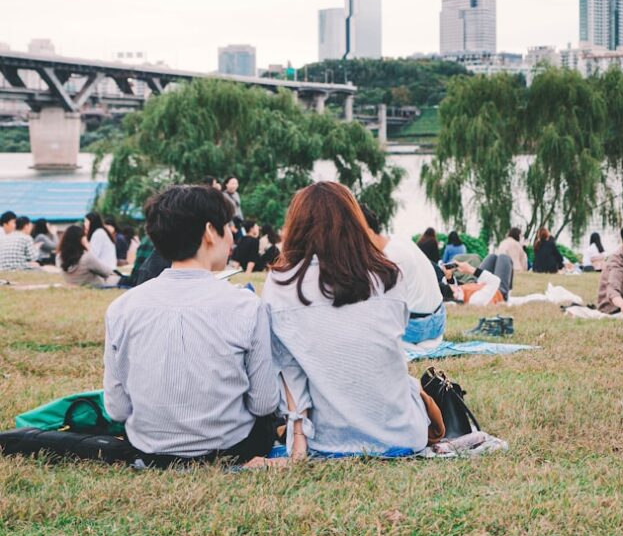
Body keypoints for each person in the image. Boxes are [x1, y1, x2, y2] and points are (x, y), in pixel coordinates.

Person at [103, 185, 277, 466]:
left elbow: (117, 409)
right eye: (228, 226)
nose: (232, 234)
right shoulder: (245, 305)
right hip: (233, 446)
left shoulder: (121, 308)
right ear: (210, 231)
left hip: (149, 450)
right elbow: (264, 404)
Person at [262, 181, 432, 458]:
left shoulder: (281, 283)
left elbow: (289, 370)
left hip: (325, 440)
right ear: (355, 221)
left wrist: (298, 439)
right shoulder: (388, 274)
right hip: (402, 433)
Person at [360, 203, 448, 346]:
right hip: (438, 321)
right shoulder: (399, 239)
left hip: (417, 329)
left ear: (368, 233)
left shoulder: (386, 258)